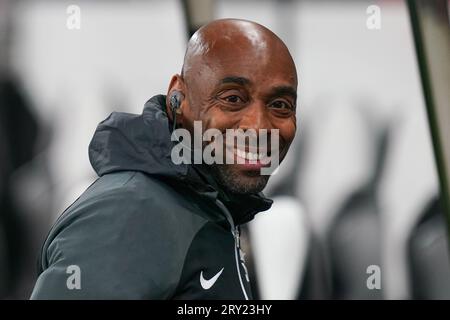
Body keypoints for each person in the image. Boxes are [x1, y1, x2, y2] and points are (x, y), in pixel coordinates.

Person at [31, 18, 298, 299]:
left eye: (280, 105)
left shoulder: (209, 207)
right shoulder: (130, 214)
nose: (258, 128)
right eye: (232, 98)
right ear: (178, 98)